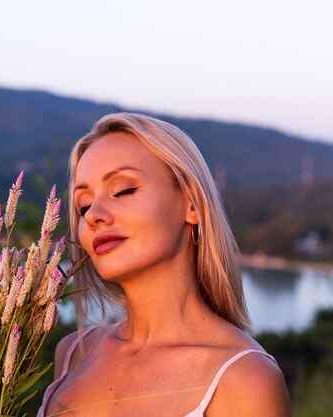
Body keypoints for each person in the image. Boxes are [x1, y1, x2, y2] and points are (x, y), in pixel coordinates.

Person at [37, 113, 291, 416]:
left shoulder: (244, 380)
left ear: (192, 204)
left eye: (123, 190)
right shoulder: (74, 353)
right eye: (83, 205)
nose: (93, 216)